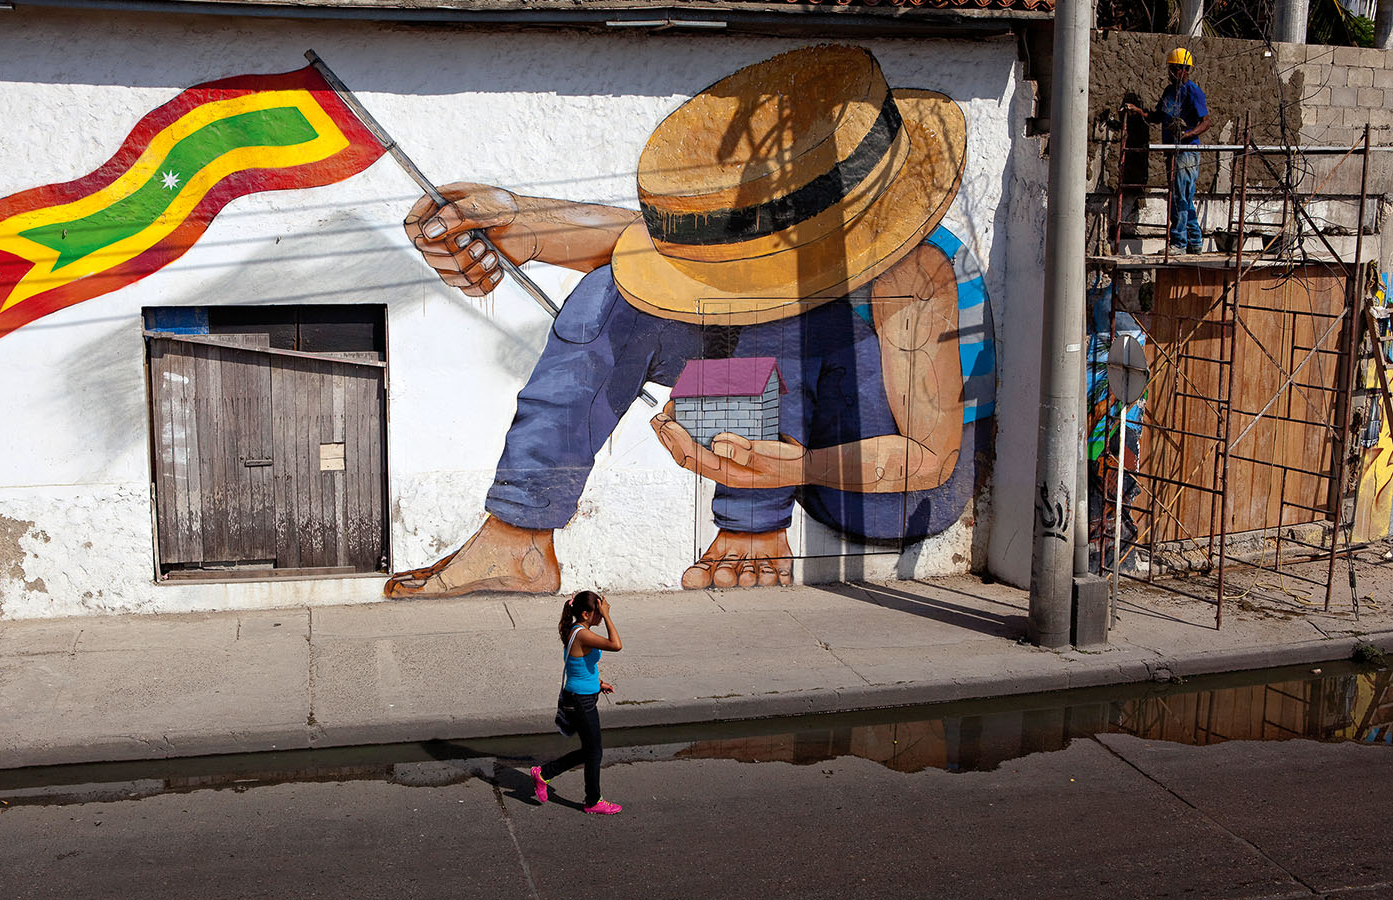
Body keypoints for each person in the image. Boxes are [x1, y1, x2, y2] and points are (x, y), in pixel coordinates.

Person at [384, 44, 995, 596]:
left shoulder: (916, 274)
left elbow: (929, 459)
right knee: (613, 292)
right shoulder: (784, 240)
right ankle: (517, 538)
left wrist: (787, 466)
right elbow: (655, 251)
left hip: (890, 494)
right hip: (793, 431)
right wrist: (515, 220)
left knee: (778, 320)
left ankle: (753, 530)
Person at [532, 590, 622, 814]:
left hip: (584, 696)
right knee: (594, 751)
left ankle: (544, 774)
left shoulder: (578, 631)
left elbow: (579, 665)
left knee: (591, 750)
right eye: (597, 612)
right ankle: (592, 801)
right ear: (585, 614)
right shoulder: (581, 634)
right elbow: (616, 645)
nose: (600, 615)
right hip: (581, 701)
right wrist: (608, 615)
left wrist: (598, 683)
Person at [1126, 48, 1211, 254]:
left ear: (1184, 69)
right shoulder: (1169, 92)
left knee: (1179, 198)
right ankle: (1195, 241)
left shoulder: (1193, 92)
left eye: (1174, 69)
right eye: (1170, 69)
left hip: (1187, 152)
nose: (1170, 73)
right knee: (1183, 197)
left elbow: (1206, 122)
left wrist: (1187, 134)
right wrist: (1139, 112)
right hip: (1172, 151)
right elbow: (1158, 116)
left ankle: (1179, 243)